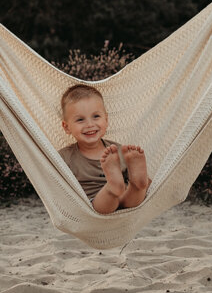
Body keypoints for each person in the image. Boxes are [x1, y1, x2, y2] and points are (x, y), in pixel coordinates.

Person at [58, 84, 151, 214]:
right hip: (92, 206)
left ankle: (138, 185)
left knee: (132, 196)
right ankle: (114, 187)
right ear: (66, 127)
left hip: (124, 200)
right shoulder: (64, 157)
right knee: (108, 199)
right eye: (80, 120)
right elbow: (53, 184)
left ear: (106, 120)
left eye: (96, 116)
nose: (90, 125)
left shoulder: (117, 151)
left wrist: (146, 182)